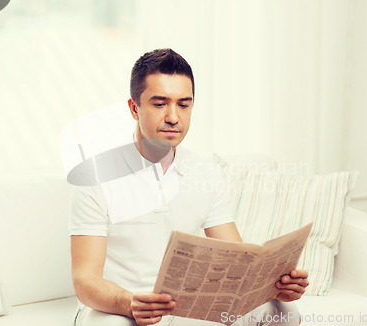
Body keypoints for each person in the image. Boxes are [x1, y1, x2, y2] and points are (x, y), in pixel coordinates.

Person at [68, 48, 309, 326]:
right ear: (135, 108)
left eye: (183, 105)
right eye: (160, 104)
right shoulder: (95, 176)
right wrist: (129, 302)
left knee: (283, 312)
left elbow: (239, 262)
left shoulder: (206, 172)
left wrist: (275, 286)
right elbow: (85, 280)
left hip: (182, 306)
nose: (173, 117)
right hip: (117, 307)